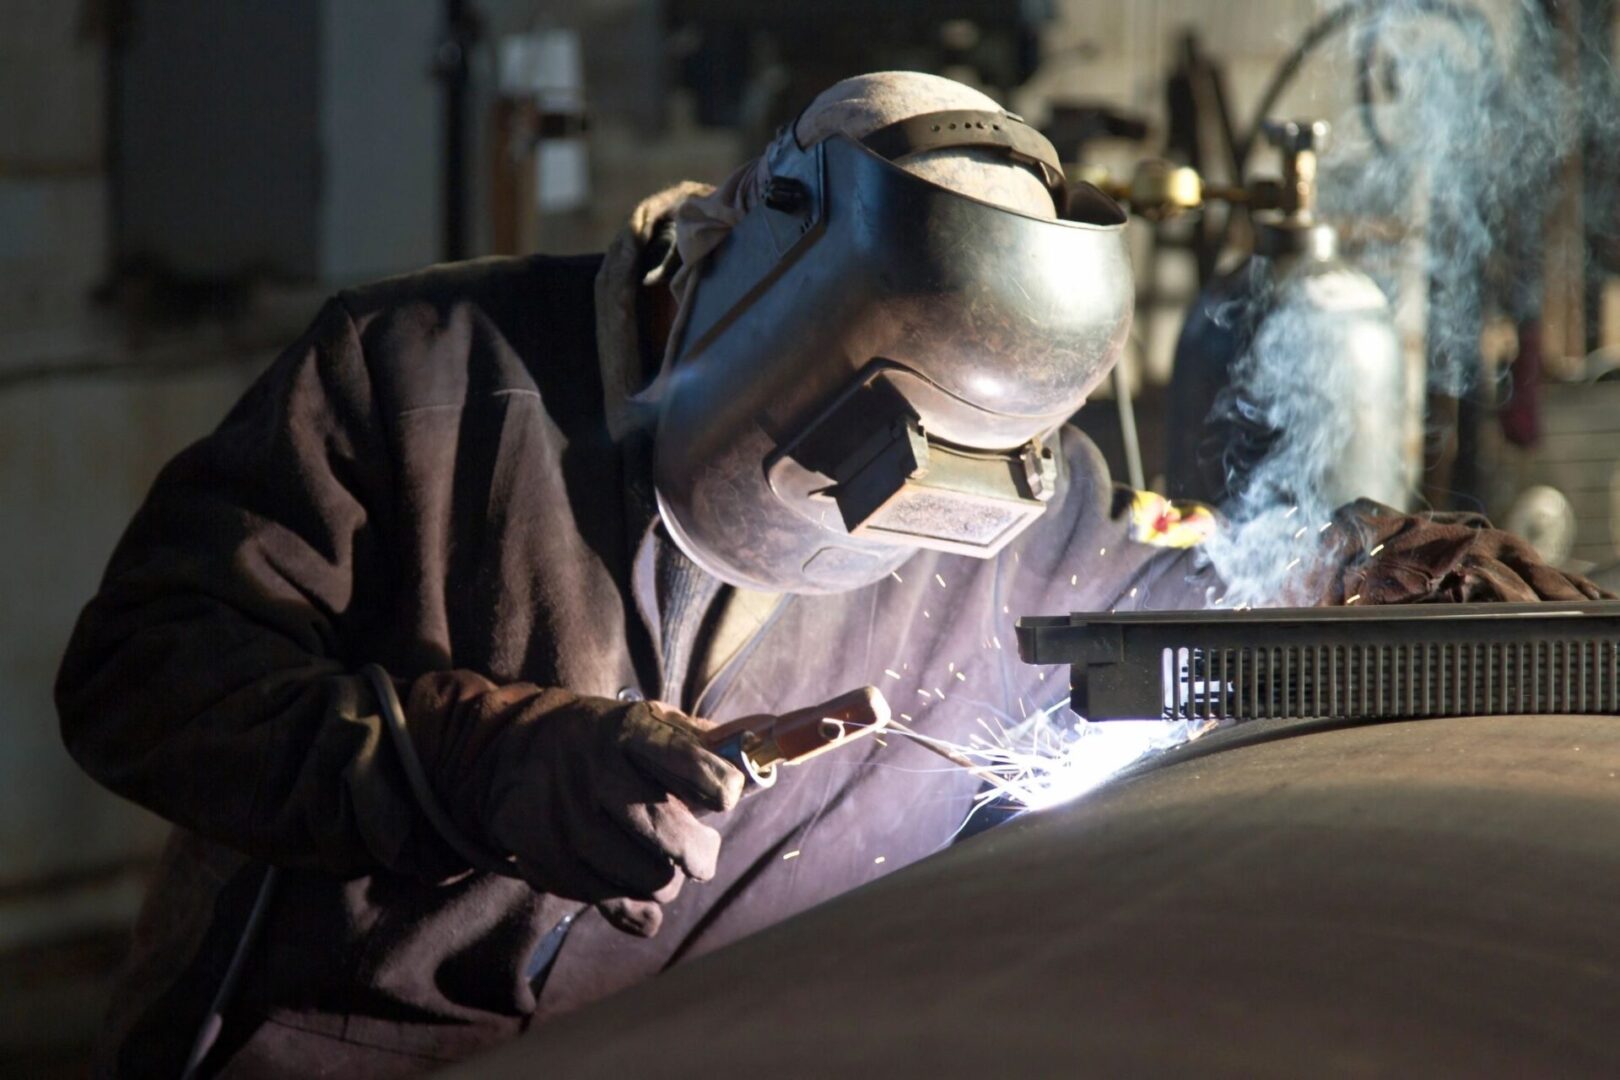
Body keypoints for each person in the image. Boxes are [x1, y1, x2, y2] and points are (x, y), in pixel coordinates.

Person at [56, 72, 1600, 1078]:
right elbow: (140, 676)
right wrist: (474, 758)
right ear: (750, 275)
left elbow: (1181, 581)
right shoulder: (424, 378)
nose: (901, 514)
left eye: (967, 460)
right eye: (877, 436)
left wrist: (1360, 566)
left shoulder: (1032, 521)